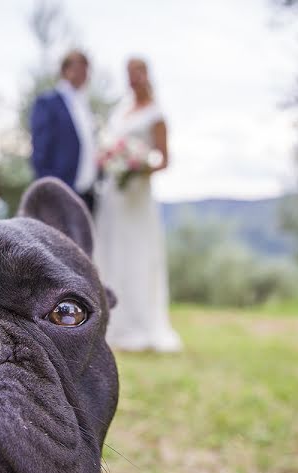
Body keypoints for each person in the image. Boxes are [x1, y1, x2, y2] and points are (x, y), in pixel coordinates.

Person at [92, 57, 183, 353]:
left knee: (137, 254)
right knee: (112, 252)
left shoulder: (156, 114)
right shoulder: (122, 110)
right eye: (129, 74)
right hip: (114, 196)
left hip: (138, 197)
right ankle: (112, 324)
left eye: (138, 73)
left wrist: (137, 167)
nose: (133, 79)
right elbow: (109, 147)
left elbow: (164, 160)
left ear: (146, 75)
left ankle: (141, 325)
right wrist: (112, 161)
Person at [30, 49, 98, 212]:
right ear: (65, 70)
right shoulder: (48, 103)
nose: (83, 73)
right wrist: (50, 189)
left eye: (86, 69)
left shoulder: (84, 105)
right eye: (78, 68)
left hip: (88, 193)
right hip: (61, 191)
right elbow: (40, 151)